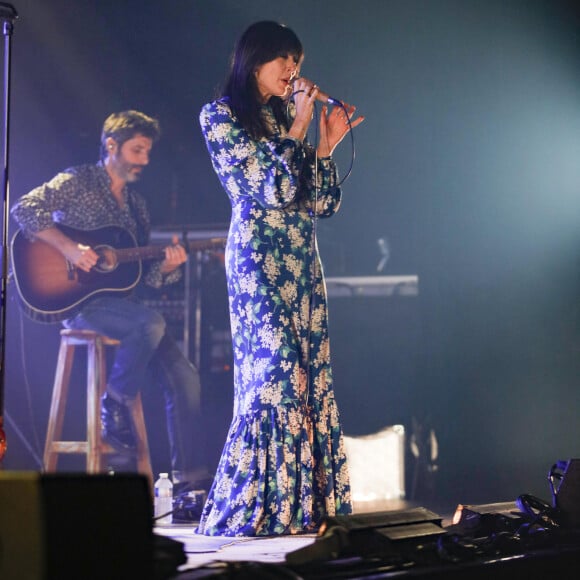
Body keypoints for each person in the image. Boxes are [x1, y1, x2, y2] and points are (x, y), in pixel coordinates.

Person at [196, 21, 364, 536]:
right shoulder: (220, 117)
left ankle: (301, 510)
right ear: (253, 62)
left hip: (301, 263)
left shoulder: (284, 114)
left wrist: (326, 145)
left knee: (309, 378)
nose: (293, 71)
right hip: (257, 264)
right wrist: (295, 133)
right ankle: (255, 508)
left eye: (297, 61)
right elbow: (267, 188)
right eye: (283, 60)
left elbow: (320, 202)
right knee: (276, 377)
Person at [11, 110, 211, 493]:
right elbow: (24, 209)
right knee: (150, 323)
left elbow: (144, 279)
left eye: (148, 152)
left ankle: (191, 486)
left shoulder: (137, 206)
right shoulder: (79, 180)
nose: (144, 161)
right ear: (111, 146)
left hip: (125, 311)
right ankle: (115, 404)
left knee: (185, 375)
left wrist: (169, 267)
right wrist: (69, 248)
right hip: (79, 306)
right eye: (138, 150)